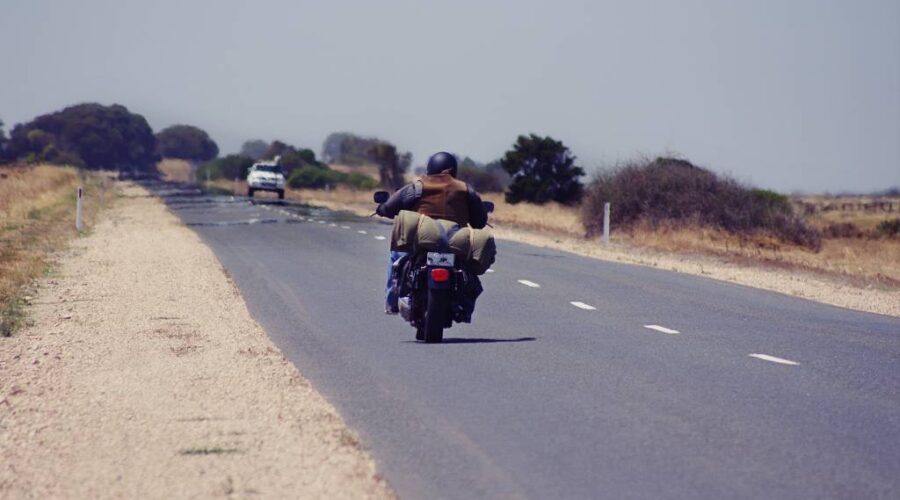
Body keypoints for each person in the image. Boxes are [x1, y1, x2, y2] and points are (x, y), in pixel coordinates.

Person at [376, 151, 489, 313]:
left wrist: (381, 208)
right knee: (468, 271)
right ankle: (464, 304)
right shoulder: (466, 190)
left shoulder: (416, 187)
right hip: (455, 242)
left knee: (396, 254)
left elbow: (388, 208)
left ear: (430, 168)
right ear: (454, 170)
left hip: (422, 242)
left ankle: (392, 302)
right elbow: (479, 222)